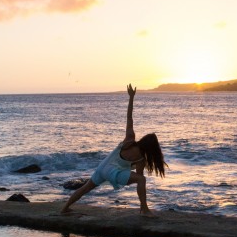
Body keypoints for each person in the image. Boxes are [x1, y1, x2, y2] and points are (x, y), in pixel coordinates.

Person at [61, 84, 167, 217]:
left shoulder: (129, 140)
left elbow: (129, 118)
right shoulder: (141, 159)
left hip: (102, 167)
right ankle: (144, 210)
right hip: (112, 172)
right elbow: (139, 180)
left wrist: (131, 97)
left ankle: (64, 208)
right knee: (142, 180)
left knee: (85, 188)